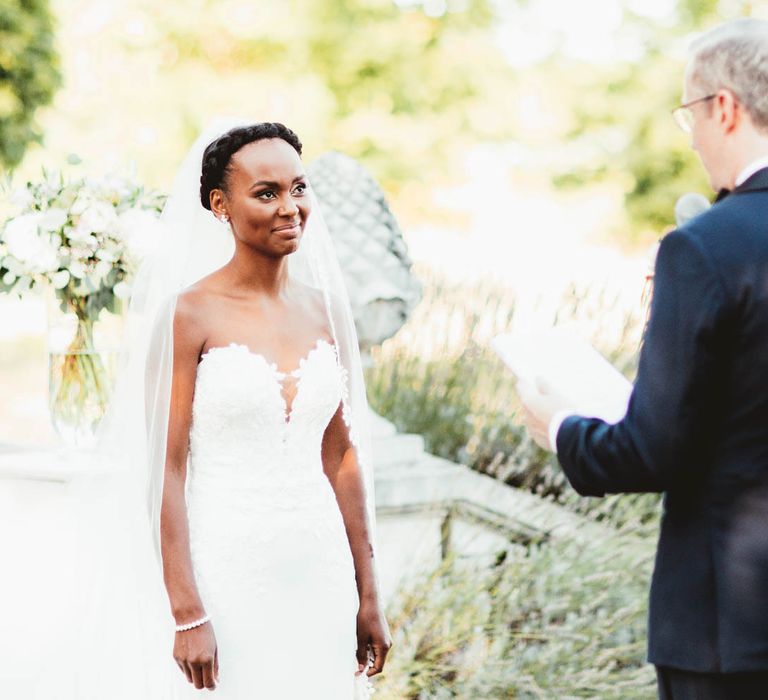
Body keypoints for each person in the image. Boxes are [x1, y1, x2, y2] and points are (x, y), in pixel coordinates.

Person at [519, 19, 768, 700]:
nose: (688, 137)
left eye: (688, 114)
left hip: (729, 628)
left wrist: (564, 426)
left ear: (723, 107)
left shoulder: (705, 248)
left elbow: (652, 451)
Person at [98, 121, 390, 698]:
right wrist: (187, 611)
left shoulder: (328, 311)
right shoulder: (188, 316)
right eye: (266, 193)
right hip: (227, 571)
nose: (290, 208)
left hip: (321, 569)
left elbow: (342, 457)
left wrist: (369, 595)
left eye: (299, 189)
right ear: (219, 205)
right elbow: (166, 470)